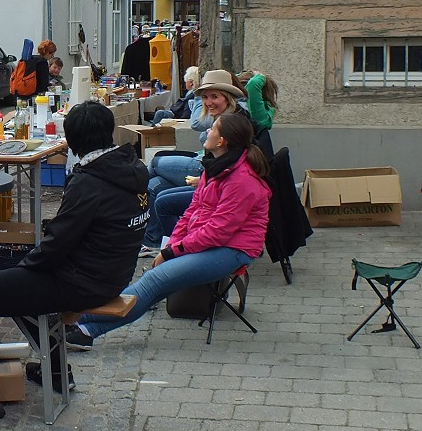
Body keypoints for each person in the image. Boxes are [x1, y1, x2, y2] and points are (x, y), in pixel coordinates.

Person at [0, 102, 149, 431]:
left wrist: (27, 269)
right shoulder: (132, 168)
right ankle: (55, 372)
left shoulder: (90, 183)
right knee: (8, 284)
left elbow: (55, 246)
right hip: (112, 273)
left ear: (73, 141)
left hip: (82, 281)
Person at [66, 113, 271, 349]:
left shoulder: (240, 179)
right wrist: (172, 245)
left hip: (234, 249)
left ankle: (83, 325)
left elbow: (219, 232)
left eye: (213, 128)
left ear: (222, 140)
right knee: (154, 282)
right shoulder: (216, 166)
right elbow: (192, 212)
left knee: (154, 280)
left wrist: (173, 252)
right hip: (213, 241)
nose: (208, 132)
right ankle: (82, 324)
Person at [140, 69, 256, 250]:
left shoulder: (231, 123)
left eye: (214, 97)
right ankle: (155, 240)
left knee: (155, 168)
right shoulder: (225, 117)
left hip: (213, 181)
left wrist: (203, 179)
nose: (208, 102)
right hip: (210, 175)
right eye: (205, 97)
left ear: (227, 97)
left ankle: (172, 246)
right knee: (155, 185)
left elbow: (229, 166)